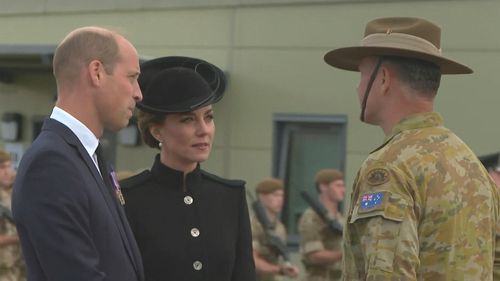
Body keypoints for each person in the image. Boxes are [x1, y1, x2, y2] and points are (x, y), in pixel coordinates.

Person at [323, 17, 500, 280]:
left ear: (383, 79)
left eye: (361, 75)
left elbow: (389, 274)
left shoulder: (389, 165)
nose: (358, 87)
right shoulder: (470, 163)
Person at [11, 27, 144, 281]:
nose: (138, 93)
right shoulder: (51, 164)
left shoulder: (88, 155)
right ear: (96, 73)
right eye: (131, 77)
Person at [120, 56, 256, 281]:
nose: (204, 130)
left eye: (209, 117)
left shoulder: (230, 196)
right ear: (157, 131)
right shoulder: (128, 199)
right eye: (187, 120)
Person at [298, 169, 345, 281]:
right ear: (323, 187)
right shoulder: (311, 217)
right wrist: (346, 254)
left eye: (343, 186)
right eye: (338, 186)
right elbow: (314, 256)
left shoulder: (340, 218)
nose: (343, 190)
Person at [250, 177, 300, 281]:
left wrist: (288, 267)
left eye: (281, 195)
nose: (280, 199)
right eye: (275, 195)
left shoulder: (280, 227)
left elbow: (280, 256)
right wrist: (279, 269)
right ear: (261, 196)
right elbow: (251, 260)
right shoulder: (253, 225)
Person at [0, 149, 25, 281]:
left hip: (20, 267)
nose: (7, 171)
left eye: (9, 166)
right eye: (2, 167)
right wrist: (20, 238)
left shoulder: (17, 191)